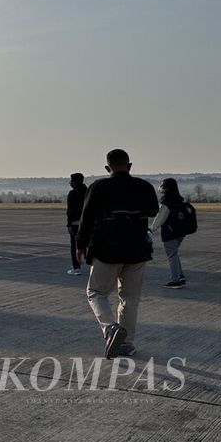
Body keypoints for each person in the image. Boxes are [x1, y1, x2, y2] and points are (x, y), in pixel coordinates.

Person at [75, 149, 159, 359]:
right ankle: (127, 343)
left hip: (107, 249)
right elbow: (153, 210)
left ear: (107, 167)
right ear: (129, 166)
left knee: (95, 292)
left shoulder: (99, 187)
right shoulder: (144, 187)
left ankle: (110, 328)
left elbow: (86, 219)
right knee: (130, 299)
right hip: (138, 250)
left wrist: (80, 244)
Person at [151, 177, 188, 289]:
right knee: (174, 254)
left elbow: (161, 217)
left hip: (170, 232)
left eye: (163, 185)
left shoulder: (166, 201)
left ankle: (175, 280)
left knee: (172, 255)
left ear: (167, 188)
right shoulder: (178, 199)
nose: (161, 187)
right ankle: (180, 276)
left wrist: (152, 228)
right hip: (179, 232)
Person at [66, 173, 88, 275]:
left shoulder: (72, 194)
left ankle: (76, 267)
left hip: (75, 223)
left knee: (74, 246)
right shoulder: (88, 192)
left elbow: (70, 211)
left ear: (74, 182)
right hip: (88, 223)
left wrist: (69, 224)